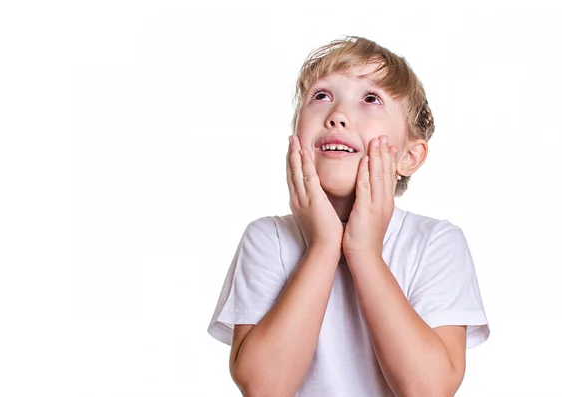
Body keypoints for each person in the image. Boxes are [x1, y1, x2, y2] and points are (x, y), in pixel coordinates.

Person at [207, 36, 490, 397]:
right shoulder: (269, 238)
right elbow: (263, 387)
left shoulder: (436, 242)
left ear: (410, 156)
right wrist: (323, 247)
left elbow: (429, 389)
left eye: (370, 99)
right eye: (321, 96)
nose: (337, 115)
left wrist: (365, 253)